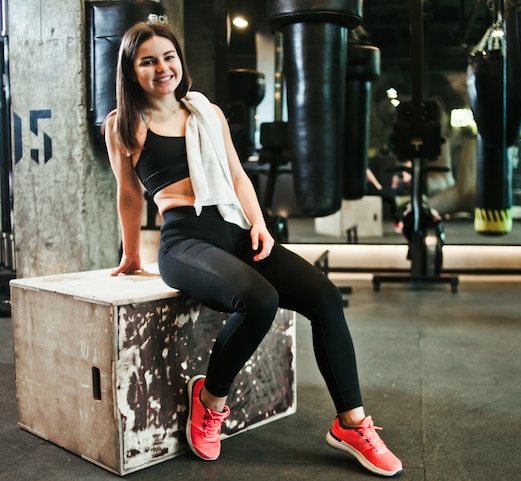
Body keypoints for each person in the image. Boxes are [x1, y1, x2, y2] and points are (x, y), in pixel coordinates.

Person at [103, 21, 402, 477]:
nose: (163, 68)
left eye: (169, 57)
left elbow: (238, 175)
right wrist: (131, 255)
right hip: (186, 241)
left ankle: (352, 424)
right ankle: (209, 400)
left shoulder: (207, 112)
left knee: (324, 298)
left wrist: (260, 224)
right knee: (260, 300)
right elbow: (129, 195)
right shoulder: (124, 125)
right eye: (148, 61)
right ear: (131, 70)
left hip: (236, 229)